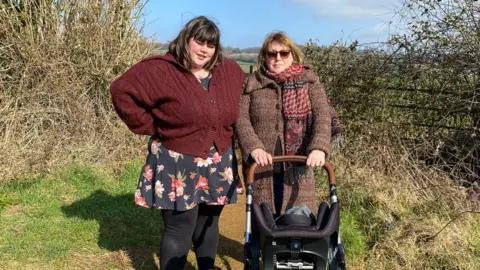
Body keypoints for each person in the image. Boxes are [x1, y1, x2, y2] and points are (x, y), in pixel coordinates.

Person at [110, 16, 245, 270]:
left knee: (209, 223)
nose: (204, 49)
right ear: (186, 39)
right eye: (199, 42)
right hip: (177, 161)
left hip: (219, 161)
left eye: (211, 45)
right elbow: (121, 91)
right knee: (179, 228)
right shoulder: (160, 69)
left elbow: (249, 103)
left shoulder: (230, 71)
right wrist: (152, 126)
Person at [236, 31, 332, 218]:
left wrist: (319, 147)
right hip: (261, 166)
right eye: (272, 54)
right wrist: (253, 147)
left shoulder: (308, 80)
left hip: (298, 165)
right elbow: (241, 119)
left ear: (292, 55)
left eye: (284, 53)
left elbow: (323, 116)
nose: (277, 58)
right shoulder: (251, 83)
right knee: (262, 218)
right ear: (264, 56)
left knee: (299, 220)